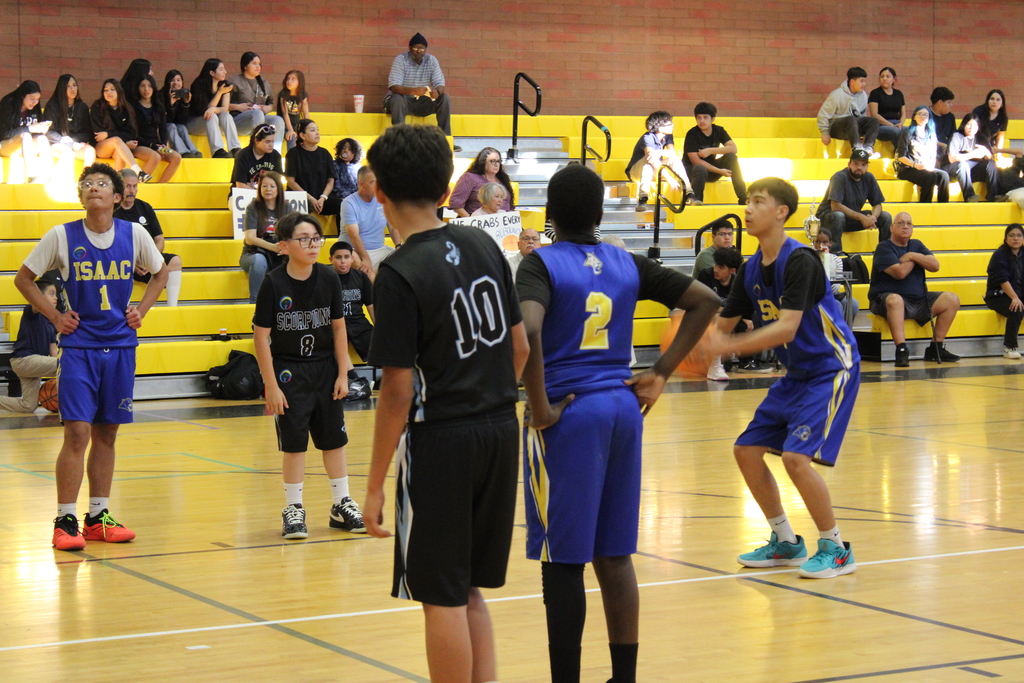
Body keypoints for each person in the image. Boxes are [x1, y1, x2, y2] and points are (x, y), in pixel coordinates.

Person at [517, 163, 719, 683]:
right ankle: (623, 679)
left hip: (570, 412)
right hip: (623, 407)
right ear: (601, 214)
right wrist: (660, 371)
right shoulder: (626, 260)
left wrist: (539, 408)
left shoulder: (540, 265)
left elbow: (530, 333)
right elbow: (706, 301)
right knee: (614, 553)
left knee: (562, 560)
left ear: (550, 215)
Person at [361, 124, 529, 683]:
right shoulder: (483, 243)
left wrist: (374, 483)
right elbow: (520, 344)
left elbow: (397, 391)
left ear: (378, 190)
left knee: (439, 596)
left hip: (443, 441)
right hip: (502, 429)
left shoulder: (398, 271)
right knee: (468, 588)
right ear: (443, 186)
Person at [710, 176, 860, 580]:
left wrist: (725, 348)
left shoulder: (801, 261)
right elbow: (721, 325)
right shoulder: (749, 269)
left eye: (757, 201)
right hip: (798, 374)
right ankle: (786, 543)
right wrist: (686, 348)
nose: (748, 208)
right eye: (746, 201)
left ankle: (835, 547)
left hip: (833, 367)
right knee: (745, 450)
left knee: (796, 458)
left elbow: (787, 328)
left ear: (781, 212)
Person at [14, 163, 167, 550]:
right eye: (87, 184)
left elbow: (161, 274)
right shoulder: (61, 236)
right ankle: (65, 519)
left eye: (102, 184)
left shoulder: (134, 233)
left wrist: (142, 310)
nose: (93, 188)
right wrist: (54, 316)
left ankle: (98, 516)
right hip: (80, 348)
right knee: (77, 432)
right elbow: (23, 279)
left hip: (120, 347)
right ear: (80, 197)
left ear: (118, 197)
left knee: (107, 433)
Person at [252, 213, 365, 539]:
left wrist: (344, 371)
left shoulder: (329, 278)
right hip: (289, 372)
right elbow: (261, 337)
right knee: (295, 444)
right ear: (284, 245)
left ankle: (341, 502)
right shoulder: (274, 282)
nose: (312, 244)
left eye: (316, 238)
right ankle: (294, 507)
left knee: (334, 439)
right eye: (304, 239)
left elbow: (339, 327)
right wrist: (270, 385)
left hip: (325, 369)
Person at [868, 212, 961, 366]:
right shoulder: (884, 247)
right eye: (901, 223)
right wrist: (918, 258)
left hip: (918, 300)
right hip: (886, 301)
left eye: (909, 224)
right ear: (891, 227)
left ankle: (935, 348)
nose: (905, 226)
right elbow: (900, 273)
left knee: (952, 299)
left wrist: (912, 255)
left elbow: (935, 266)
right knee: (895, 299)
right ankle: (901, 349)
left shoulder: (916, 245)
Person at [113, 169, 183, 306]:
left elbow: (159, 239)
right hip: (124, 262)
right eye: (127, 186)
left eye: (135, 186)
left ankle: (172, 308)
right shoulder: (111, 209)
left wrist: (151, 258)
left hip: (147, 259)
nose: (132, 191)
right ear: (118, 187)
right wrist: (131, 261)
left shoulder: (144, 207)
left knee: (175, 261)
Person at [815, 149, 892, 252]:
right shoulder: (839, 177)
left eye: (863, 165)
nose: (859, 167)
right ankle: (836, 254)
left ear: (867, 167)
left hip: (850, 218)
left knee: (885, 216)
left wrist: (872, 217)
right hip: (828, 218)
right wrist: (862, 218)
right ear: (849, 164)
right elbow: (835, 206)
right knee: (839, 215)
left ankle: (886, 253)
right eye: (856, 164)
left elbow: (877, 204)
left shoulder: (869, 178)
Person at [0, 279, 58, 414]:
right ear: (38, 296)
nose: (55, 297)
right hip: (24, 360)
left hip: (33, 365)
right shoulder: (32, 312)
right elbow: (37, 304)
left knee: (28, 406)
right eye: (51, 293)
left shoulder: (50, 323)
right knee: (68, 365)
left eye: (55, 294)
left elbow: (54, 352)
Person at [383, 33, 455, 141]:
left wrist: (437, 92)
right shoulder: (401, 59)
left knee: (444, 98)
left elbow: (440, 84)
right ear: (409, 48)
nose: (418, 51)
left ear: (426, 49)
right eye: (415, 48)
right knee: (397, 98)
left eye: (422, 49)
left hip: (421, 102)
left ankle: (445, 139)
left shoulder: (431, 60)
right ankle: (399, 139)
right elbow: (394, 87)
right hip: (402, 102)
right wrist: (413, 91)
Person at [90, 79, 159, 181]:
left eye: (112, 89)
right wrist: (115, 137)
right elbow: (99, 135)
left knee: (121, 151)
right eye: (106, 90)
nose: (109, 92)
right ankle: (138, 171)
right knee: (116, 140)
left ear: (119, 91)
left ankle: (119, 186)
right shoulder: (97, 107)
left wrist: (109, 134)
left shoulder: (126, 108)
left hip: (122, 145)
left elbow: (131, 132)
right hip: (103, 147)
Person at [626, 110, 696, 209]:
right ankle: (643, 198)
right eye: (669, 124)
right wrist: (669, 179)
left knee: (674, 159)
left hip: (655, 170)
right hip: (637, 171)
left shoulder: (667, 136)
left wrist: (659, 152)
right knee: (648, 163)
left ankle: (689, 193)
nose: (673, 125)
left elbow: (672, 153)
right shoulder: (647, 138)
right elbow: (650, 158)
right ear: (660, 126)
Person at [683, 101, 747, 205]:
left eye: (705, 117)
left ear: (712, 119)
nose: (701, 121)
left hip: (711, 170)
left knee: (731, 157)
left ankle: (743, 197)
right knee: (700, 168)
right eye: (699, 117)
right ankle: (695, 199)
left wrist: (711, 150)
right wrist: (719, 171)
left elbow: (733, 148)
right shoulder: (692, 134)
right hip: (692, 171)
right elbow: (695, 161)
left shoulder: (719, 130)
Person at [697, 246, 746, 381]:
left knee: (750, 320)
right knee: (718, 317)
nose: (716, 270)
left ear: (732, 270)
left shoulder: (737, 281)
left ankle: (747, 362)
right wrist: (727, 309)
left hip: (727, 316)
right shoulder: (705, 275)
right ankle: (715, 365)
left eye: (721, 267)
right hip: (701, 317)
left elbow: (740, 306)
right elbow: (705, 305)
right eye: (716, 265)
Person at [341, 166, 397, 277]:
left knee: (406, 259)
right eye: (373, 182)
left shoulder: (383, 200)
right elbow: (354, 236)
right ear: (361, 184)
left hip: (381, 250)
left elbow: (393, 227)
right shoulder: (348, 203)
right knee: (364, 269)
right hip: (355, 251)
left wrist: (399, 246)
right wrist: (366, 259)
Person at [329, 240, 375, 374]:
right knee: (333, 343)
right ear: (331, 259)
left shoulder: (361, 277)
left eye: (346, 257)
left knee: (379, 342)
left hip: (358, 323)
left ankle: (382, 378)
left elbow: (371, 306)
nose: (343, 261)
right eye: (338, 257)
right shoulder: (326, 278)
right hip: (335, 324)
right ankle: (351, 376)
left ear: (352, 258)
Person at [285, 119, 340, 229]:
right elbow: (291, 181)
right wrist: (310, 198)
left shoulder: (325, 153)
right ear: (302, 135)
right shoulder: (293, 153)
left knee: (344, 205)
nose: (317, 133)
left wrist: (323, 198)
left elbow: (331, 180)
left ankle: (344, 240)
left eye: (317, 130)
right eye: (312, 130)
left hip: (322, 198)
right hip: (301, 198)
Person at [240, 170, 285, 302]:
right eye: (264, 186)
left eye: (272, 186)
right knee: (259, 261)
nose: (268, 189)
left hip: (279, 253)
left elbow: (291, 234)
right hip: (253, 253)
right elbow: (250, 238)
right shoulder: (253, 208)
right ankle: (255, 302)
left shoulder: (286, 207)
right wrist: (272, 247)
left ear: (278, 188)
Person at [227, 51, 286, 149]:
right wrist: (237, 107)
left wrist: (268, 108)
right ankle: (258, 148)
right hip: (239, 121)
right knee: (257, 113)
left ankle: (275, 153)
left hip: (259, 119)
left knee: (278, 120)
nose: (258, 67)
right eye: (254, 64)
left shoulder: (263, 82)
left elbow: (270, 103)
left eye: (259, 64)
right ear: (245, 66)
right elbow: (222, 105)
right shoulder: (234, 82)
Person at [816, 67, 879, 157]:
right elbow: (823, 115)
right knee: (851, 119)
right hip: (837, 128)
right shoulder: (836, 95)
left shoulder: (863, 95)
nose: (864, 84)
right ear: (852, 82)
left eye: (864, 81)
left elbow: (862, 116)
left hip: (854, 127)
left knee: (874, 120)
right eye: (861, 81)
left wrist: (865, 134)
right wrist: (825, 132)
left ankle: (868, 149)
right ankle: (857, 149)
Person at [187, 58, 241, 159]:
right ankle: (217, 151)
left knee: (226, 115)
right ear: (212, 72)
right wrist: (219, 93)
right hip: (195, 123)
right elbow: (205, 110)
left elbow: (224, 109)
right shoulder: (198, 85)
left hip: (213, 124)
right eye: (221, 69)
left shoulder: (225, 85)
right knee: (212, 116)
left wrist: (213, 109)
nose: (225, 72)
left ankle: (235, 148)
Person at [984, 224, 1024, 360]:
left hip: (1019, 294)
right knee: (1016, 309)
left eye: (1019, 235)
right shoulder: (999, 255)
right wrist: (1014, 297)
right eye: (1011, 235)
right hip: (998, 295)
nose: (1015, 239)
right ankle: (1010, 347)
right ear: (1006, 239)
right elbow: (1002, 280)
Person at [0, 80, 53, 183]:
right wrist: (30, 128)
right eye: (32, 99)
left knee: (42, 139)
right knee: (26, 136)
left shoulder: (34, 106)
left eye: (37, 99)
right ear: (22, 96)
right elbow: (5, 134)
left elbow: (36, 133)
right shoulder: (8, 104)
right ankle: (31, 174)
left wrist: (41, 129)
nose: (34, 102)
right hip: (6, 146)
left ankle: (49, 175)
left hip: (26, 147)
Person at [895, 106, 950, 203]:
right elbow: (901, 156)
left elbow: (933, 154)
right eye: (920, 114)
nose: (923, 116)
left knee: (944, 175)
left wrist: (930, 166)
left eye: (926, 114)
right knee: (930, 176)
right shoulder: (907, 132)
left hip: (925, 168)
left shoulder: (931, 134)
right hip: (909, 168)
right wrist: (916, 165)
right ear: (914, 117)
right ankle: (925, 204)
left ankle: (943, 204)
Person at [132, 76, 181, 183]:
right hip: (139, 144)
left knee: (176, 157)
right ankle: (137, 186)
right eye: (142, 86)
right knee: (155, 156)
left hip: (156, 144)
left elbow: (163, 129)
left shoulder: (158, 106)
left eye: (149, 86)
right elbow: (133, 132)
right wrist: (154, 147)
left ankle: (160, 185)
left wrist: (163, 144)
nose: (146, 89)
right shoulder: (133, 107)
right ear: (138, 88)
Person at [943, 112, 999, 203]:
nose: (971, 127)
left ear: (978, 127)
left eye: (974, 125)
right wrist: (972, 154)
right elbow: (951, 158)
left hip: (972, 171)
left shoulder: (981, 137)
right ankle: (969, 196)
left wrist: (985, 151)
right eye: (968, 124)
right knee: (963, 164)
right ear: (964, 125)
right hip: (955, 170)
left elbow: (989, 158)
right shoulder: (957, 136)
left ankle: (993, 196)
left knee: (991, 164)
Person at [42, 74, 96, 167]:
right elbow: (48, 131)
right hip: (57, 143)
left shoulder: (82, 107)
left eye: (74, 85)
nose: (72, 89)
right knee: (67, 152)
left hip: (76, 144)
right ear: (61, 88)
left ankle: (85, 179)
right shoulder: (52, 106)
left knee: (90, 151)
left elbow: (87, 132)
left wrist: (73, 141)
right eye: (68, 86)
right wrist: (65, 141)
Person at [449, 147, 516, 217]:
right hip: (478, 221)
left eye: (498, 161)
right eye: (492, 161)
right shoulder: (470, 178)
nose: (496, 164)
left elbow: (510, 204)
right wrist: (471, 220)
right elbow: (456, 204)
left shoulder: (503, 178)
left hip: (505, 222)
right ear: (483, 162)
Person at [811, 228, 860, 324]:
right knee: (836, 305)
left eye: (825, 242)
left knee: (853, 303)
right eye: (818, 242)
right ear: (813, 242)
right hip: (815, 296)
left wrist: (826, 259)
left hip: (833, 294)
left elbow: (836, 285)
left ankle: (846, 333)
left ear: (830, 243)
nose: (821, 245)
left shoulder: (837, 260)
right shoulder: (808, 258)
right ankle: (836, 335)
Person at [159, 70, 202, 157]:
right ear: (167, 82)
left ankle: (194, 151)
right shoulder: (160, 95)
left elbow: (182, 121)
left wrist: (185, 104)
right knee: (171, 126)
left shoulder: (183, 95)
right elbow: (165, 120)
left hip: (177, 125)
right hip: (163, 126)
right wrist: (171, 105)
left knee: (181, 127)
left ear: (182, 82)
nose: (176, 83)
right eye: (172, 80)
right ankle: (183, 152)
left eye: (178, 80)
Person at [231, 123, 283, 189]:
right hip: (243, 194)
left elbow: (278, 183)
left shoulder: (276, 155)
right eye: (267, 142)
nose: (271, 145)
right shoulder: (243, 155)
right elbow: (240, 185)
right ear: (257, 141)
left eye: (272, 141)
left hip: (265, 194)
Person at [971, 89, 1019, 157]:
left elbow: (1000, 137)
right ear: (987, 101)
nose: (994, 102)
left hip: (990, 147)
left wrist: (999, 154)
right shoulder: (978, 111)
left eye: (998, 100)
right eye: (992, 99)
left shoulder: (1003, 117)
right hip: (975, 144)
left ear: (1002, 103)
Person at [867, 67, 905, 143]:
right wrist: (890, 124)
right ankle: (900, 153)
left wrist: (900, 123)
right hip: (882, 125)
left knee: (910, 131)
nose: (884, 79)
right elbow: (874, 114)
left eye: (888, 76)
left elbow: (903, 113)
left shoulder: (899, 94)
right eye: (882, 76)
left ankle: (910, 154)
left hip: (897, 123)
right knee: (896, 132)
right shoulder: (875, 93)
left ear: (894, 79)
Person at [276, 70, 308, 150]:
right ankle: (291, 158)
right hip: (284, 124)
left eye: (293, 79)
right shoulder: (283, 94)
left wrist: (307, 128)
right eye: (288, 79)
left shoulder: (303, 94)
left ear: (299, 82)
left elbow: (306, 112)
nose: (289, 81)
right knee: (291, 137)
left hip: (296, 124)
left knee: (306, 137)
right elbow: (285, 113)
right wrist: (290, 130)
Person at [929, 87, 957, 155]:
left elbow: (953, 137)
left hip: (947, 151)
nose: (951, 105)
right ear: (940, 102)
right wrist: (942, 145)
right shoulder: (925, 115)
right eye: (949, 102)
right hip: (929, 150)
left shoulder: (950, 117)